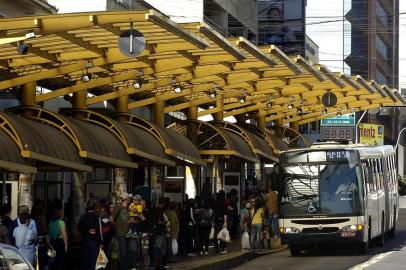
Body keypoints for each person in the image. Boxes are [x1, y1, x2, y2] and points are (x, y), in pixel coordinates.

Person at [78, 200, 103, 270]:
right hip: (94, 242)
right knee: (93, 262)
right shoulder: (96, 217)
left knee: (85, 261)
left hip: (85, 241)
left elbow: (79, 229)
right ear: (94, 207)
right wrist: (101, 242)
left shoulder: (83, 217)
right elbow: (99, 230)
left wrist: (87, 232)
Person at [112, 192, 131, 270]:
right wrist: (117, 227)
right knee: (123, 252)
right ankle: (122, 267)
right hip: (120, 234)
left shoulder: (127, 208)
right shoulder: (118, 207)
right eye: (129, 198)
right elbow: (111, 219)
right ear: (126, 199)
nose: (130, 199)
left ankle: (124, 266)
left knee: (126, 252)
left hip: (126, 234)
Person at [151, 197, 168, 270]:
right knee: (160, 248)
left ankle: (159, 264)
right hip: (160, 232)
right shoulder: (159, 210)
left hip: (159, 232)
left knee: (160, 248)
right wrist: (165, 224)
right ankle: (158, 264)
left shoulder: (156, 210)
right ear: (163, 203)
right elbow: (158, 221)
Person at [31, 201, 48, 270]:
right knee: (42, 259)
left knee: (35, 259)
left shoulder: (32, 217)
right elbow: (44, 229)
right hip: (41, 240)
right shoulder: (41, 217)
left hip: (33, 239)